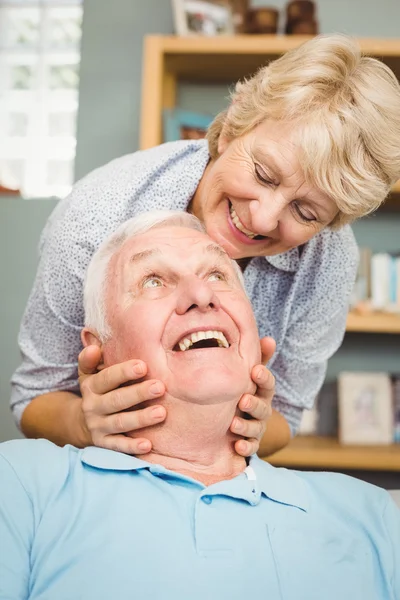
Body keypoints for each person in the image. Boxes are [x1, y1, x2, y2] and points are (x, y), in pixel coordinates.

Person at [11, 34, 400, 457]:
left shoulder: (327, 258)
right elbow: (35, 396)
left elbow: (284, 415)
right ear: (234, 127)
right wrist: (81, 422)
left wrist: (252, 425)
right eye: (265, 175)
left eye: (306, 213)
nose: (263, 218)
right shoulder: (95, 217)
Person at [1, 211, 399, 600]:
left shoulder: (374, 516)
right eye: (153, 280)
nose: (201, 296)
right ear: (99, 351)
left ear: (253, 333)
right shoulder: (21, 484)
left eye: (217, 275)